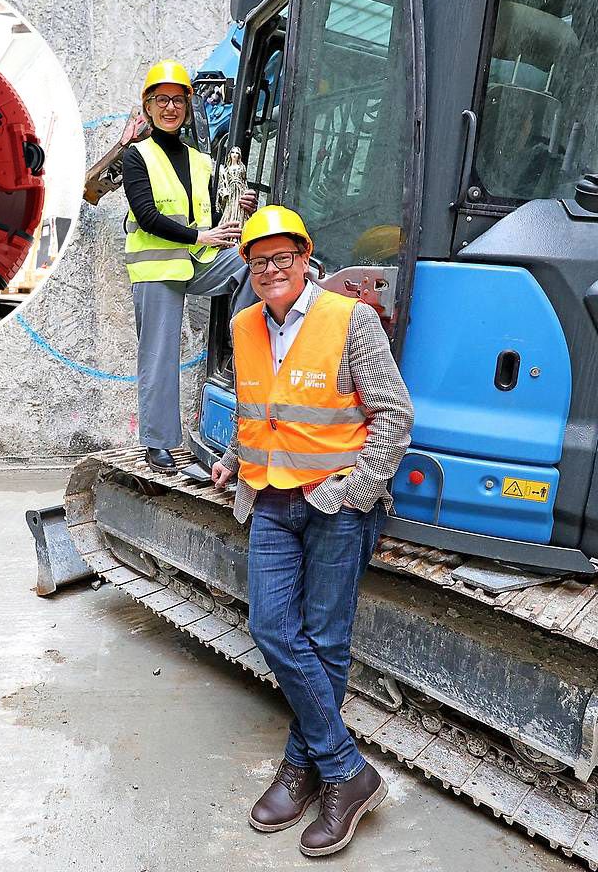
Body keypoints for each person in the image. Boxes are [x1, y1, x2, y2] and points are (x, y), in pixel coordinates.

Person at [210, 205, 413, 857]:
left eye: (282, 257)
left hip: (335, 503)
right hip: (270, 498)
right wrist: (234, 459)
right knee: (273, 627)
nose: (271, 270)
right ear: (248, 266)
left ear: (305, 258)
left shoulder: (349, 319)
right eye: (258, 259)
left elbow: (394, 414)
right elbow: (262, 410)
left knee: (325, 639)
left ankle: (304, 770)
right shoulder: (244, 326)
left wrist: (355, 492)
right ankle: (345, 768)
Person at [123, 59, 257, 472]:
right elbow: (147, 215)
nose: (170, 108)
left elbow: (212, 212)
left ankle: (245, 342)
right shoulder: (137, 157)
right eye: (161, 100)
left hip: (197, 260)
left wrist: (239, 205)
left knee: (253, 262)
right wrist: (202, 236)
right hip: (158, 269)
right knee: (159, 355)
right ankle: (158, 442)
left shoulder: (200, 160)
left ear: (187, 105)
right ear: (148, 106)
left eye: (177, 100)